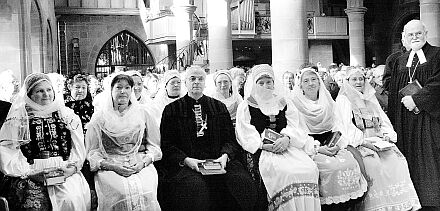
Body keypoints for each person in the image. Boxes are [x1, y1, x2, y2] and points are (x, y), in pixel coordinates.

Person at [159, 65, 256, 211]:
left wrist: (225, 157)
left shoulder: (219, 107)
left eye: (200, 79)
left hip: (219, 159)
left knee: (241, 181)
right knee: (195, 187)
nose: (196, 82)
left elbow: (230, 139)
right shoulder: (172, 110)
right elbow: (167, 145)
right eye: (192, 78)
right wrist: (187, 160)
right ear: (186, 82)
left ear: (205, 83)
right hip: (188, 163)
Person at [0, 73, 91, 211]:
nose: (46, 94)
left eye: (49, 90)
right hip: (30, 171)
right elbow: (9, 151)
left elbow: (77, 147)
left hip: (64, 169)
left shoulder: (67, 115)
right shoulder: (18, 119)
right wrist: (29, 173)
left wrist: (71, 169)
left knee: (71, 200)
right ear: (29, 95)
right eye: (40, 91)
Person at [236, 64, 320, 211]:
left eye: (269, 82)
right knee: (287, 173)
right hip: (264, 151)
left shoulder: (284, 102)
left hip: (288, 146)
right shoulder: (247, 105)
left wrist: (287, 138)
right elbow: (244, 131)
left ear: (274, 83)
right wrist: (261, 144)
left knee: (310, 168)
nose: (265, 86)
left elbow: (296, 125)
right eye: (260, 83)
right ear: (254, 84)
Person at [335, 67, 421, 211]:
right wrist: (364, 142)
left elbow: (383, 120)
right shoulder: (343, 100)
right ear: (347, 81)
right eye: (354, 79)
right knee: (374, 166)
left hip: (379, 142)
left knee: (398, 161)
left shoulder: (370, 97)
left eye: (361, 79)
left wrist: (387, 135)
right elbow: (345, 127)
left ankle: (397, 205)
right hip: (359, 144)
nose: (358, 82)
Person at [292, 68, 367, 210]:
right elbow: (297, 133)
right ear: (300, 85)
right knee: (330, 168)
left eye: (314, 79)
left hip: (331, 143)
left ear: (319, 82)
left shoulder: (328, 103)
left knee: (349, 163)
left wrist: (338, 145)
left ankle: (345, 206)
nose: (311, 83)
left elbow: (338, 126)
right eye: (306, 81)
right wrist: (318, 149)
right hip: (310, 147)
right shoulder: (295, 104)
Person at [86, 73, 162, 211]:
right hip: (110, 163)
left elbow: (154, 147)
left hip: (139, 161)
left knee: (145, 189)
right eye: (118, 87)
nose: (123, 91)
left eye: (127, 87)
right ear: (110, 90)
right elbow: (92, 152)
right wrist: (112, 166)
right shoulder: (100, 117)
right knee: (120, 191)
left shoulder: (143, 113)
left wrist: (142, 163)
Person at [387, 19, 440, 210]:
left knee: (429, 155)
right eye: (410, 34)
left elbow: (438, 83)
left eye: (418, 33)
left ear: (425, 33)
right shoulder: (400, 60)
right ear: (404, 37)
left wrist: (417, 100)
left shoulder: (437, 55)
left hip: (428, 118)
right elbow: (393, 90)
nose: (415, 37)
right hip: (405, 119)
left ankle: (431, 201)